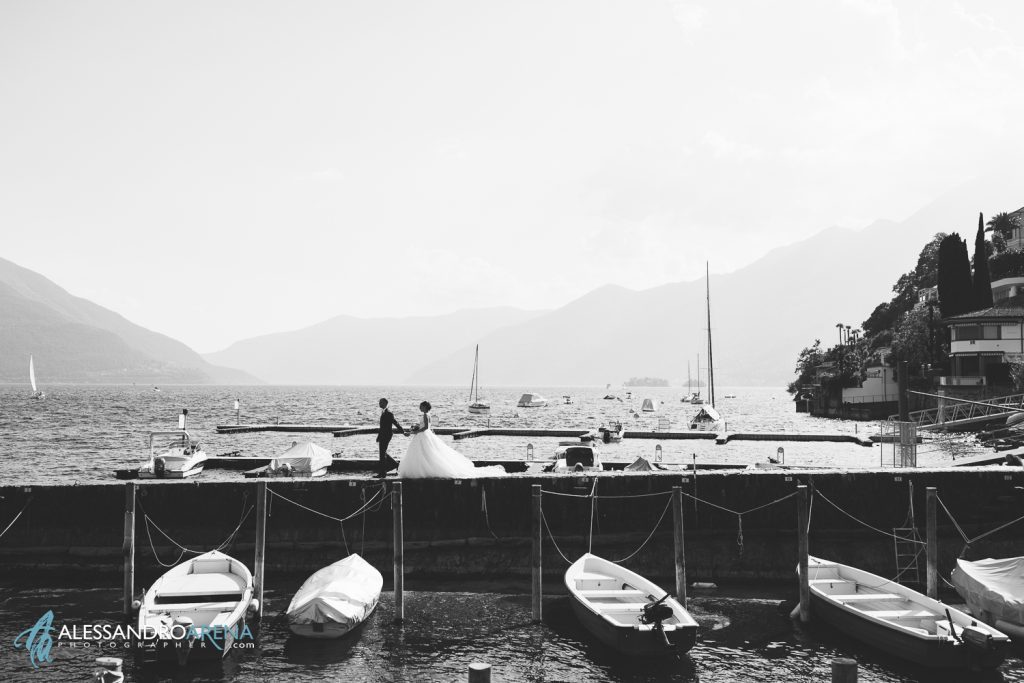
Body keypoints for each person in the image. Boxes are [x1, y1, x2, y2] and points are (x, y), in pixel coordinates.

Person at [398, 401, 506, 479]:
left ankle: (424, 470)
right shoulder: (426, 415)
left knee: (426, 452)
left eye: (421, 406)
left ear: (425, 407)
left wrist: (414, 431)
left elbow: (425, 427)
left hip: (423, 435)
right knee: (425, 452)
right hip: (423, 435)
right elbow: (423, 426)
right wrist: (415, 427)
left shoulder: (426, 415)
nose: (419, 407)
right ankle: (423, 469)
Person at [375, 398, 405, 478]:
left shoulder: (389, 413)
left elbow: (395, 422)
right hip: (383, 435)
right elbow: (382, 426)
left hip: (387, 435)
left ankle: (383, 473)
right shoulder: (384, 412)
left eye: (381, 402)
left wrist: (402, 431)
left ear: (385, 403)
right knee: (383, 453)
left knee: (382, 454)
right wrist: (378, 436)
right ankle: (395, 464)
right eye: (379, 402)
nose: (379, 404)